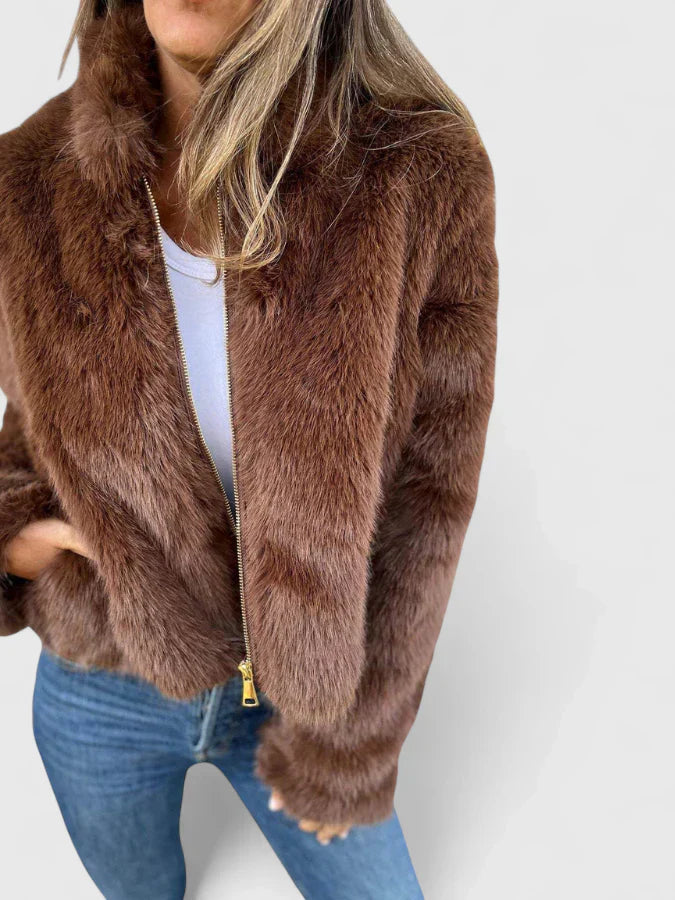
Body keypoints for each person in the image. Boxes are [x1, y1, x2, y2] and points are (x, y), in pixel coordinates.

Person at [0, 0, 498, 897]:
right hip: (101, 679)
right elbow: (29, 413)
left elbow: (433, 486)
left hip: (311, 699)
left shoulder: (414, 168)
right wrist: (13, 535)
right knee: (138, 889)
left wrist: (352, 749)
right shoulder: (24, 179)